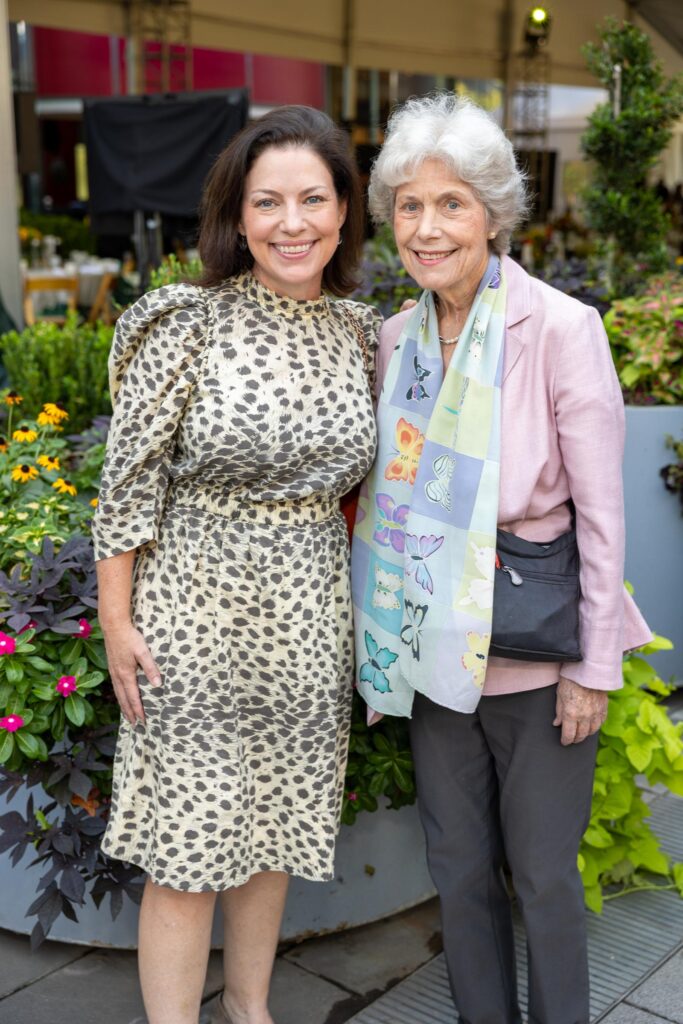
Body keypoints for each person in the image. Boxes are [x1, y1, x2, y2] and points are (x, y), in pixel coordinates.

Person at [351, 93, 651, 1024]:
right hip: (434, 656)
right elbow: (388, 504)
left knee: (544, 876)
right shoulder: (394, 341)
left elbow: (602, 517)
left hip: (535, 657)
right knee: (456, 867)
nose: (427, 228)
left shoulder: (559, 328)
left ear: (491, 214)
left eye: (451, 204)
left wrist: (592, 667)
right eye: (409, 205)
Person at [92, 105, 381, 1024]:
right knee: (187, 847)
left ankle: (249, 1010)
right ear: (237, 214)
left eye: (312, 199)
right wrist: (116, 623)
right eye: (267, 202)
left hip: (308, 615)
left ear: (344, 210)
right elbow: (126, 486)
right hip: (191, 616)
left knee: (275, 829)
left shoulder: (363, 334)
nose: (292, 223)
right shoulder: (185, 322)